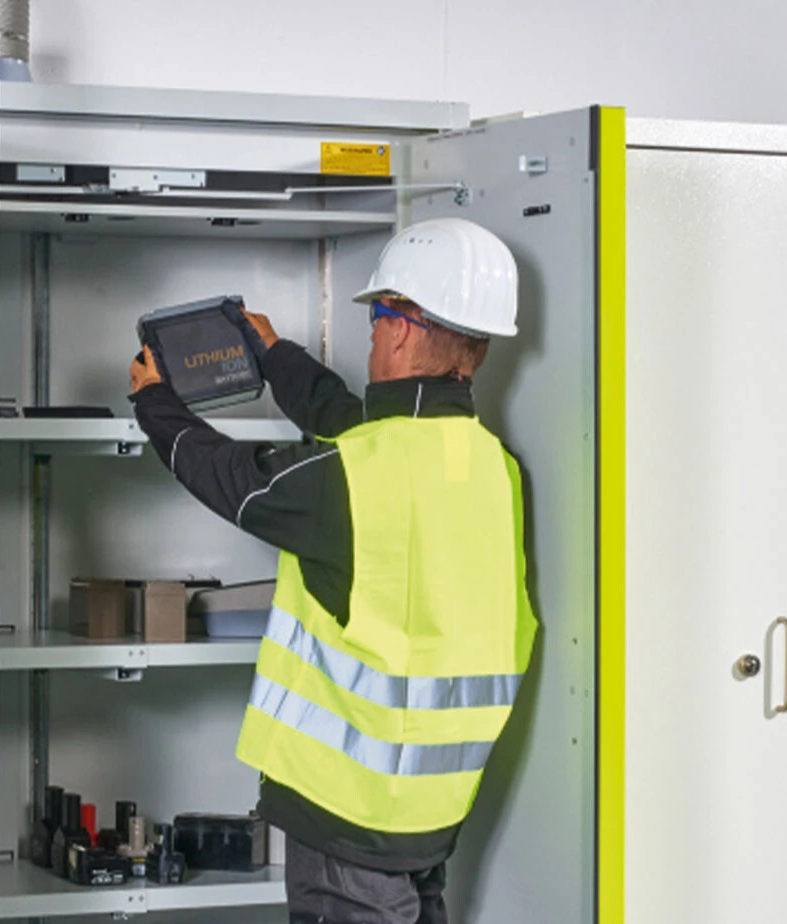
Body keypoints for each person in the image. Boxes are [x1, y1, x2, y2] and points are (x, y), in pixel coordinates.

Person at [127, 218, 535, 924]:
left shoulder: (354, 476)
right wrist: (274, 357)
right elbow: (355, 424)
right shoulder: (492, 469)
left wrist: (153, 400)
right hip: (431, 813)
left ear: (401, 329)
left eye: (377, 319)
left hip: (347, 817)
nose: (372, 336)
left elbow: (236, 481)